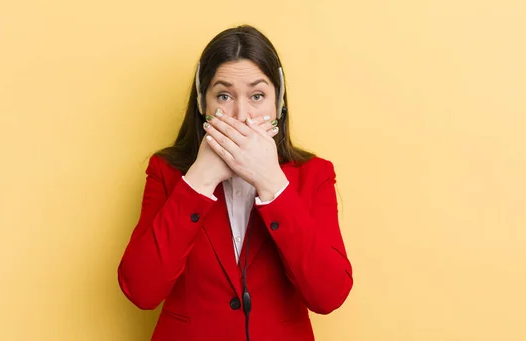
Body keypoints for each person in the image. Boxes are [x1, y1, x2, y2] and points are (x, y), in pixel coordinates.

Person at [117, 24, 353, 341]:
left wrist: (272, 183)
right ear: (203, 104)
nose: (241, 115)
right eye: (224, 96)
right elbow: (141, 291)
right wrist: (200, 178)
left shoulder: (314, 174)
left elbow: (329, 295)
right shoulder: (167, 172)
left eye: (257, 95)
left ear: (279, 103)